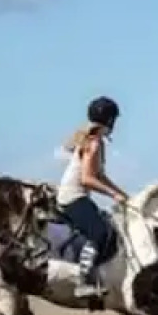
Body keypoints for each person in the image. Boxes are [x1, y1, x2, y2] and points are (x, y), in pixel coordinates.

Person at [56, 95, 129, 298]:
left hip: (77, 195)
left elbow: (100, 175)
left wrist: (120, 193)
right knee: (100, 233)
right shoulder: (94, 143)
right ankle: (84, 282)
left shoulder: (96, 142)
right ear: (109, 120)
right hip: (73, 197)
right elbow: (87, 178)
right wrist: (113, 194)